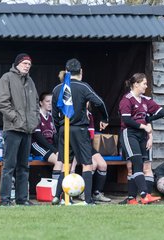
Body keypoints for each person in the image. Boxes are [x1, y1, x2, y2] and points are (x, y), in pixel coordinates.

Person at [52, 58, 109, 205]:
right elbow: (99, 102)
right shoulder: (83, 87)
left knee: (66, 163)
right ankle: (88, 200)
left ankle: (58, 196)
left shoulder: (57, 89)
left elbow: (54, 114)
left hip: (64, 129)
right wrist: (105, 118)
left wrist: (59, 131)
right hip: (80, 128)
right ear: (81, 72)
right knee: (87, 164)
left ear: (66, 72)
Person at [0, 53, 40, 206]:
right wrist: (16, 118)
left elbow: (35, 103)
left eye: (29, 64)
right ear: (17, 64)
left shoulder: (31, 81)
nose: (27, 66)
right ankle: (5, 199)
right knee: (9, 166)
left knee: (24, 166)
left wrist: (35, 120)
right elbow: (2, 102)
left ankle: (22, 199)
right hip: (13, 129)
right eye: (24, 63)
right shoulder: (7, 78)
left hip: (27, 130)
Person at [118, 73, 164, 205]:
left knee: (143, 164)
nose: (146, 86)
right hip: (129, 133)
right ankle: (144, 195)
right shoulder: (126, 100)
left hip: (142, 135)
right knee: (136, 163)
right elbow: (126, 120)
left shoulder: (146, 100)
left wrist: (147, 120)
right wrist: (143, 126)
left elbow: (162, 112)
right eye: (144, 83)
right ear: (136, 84)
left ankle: (133, 199)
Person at [70, 105, 111, 202]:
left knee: (103, 165)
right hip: (76, 145)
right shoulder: (76, 114)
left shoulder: (90, 115)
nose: (86, 102)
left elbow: (91, 136)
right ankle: (84, 192)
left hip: (87, 145)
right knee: (93, 164)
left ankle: (97, 193)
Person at [31, 92, 62, 180]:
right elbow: (38, 137)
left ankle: (62, 189)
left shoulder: (51, 116)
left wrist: (58, 149)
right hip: (37, 145)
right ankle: (56, 190)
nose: (50, 104)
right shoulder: (36, 115)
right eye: (47, 101)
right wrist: (55, 151)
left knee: (64, 160)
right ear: (41, 103)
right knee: (58, 161)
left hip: (49, 146)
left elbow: (55, 136)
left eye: (51, 101)